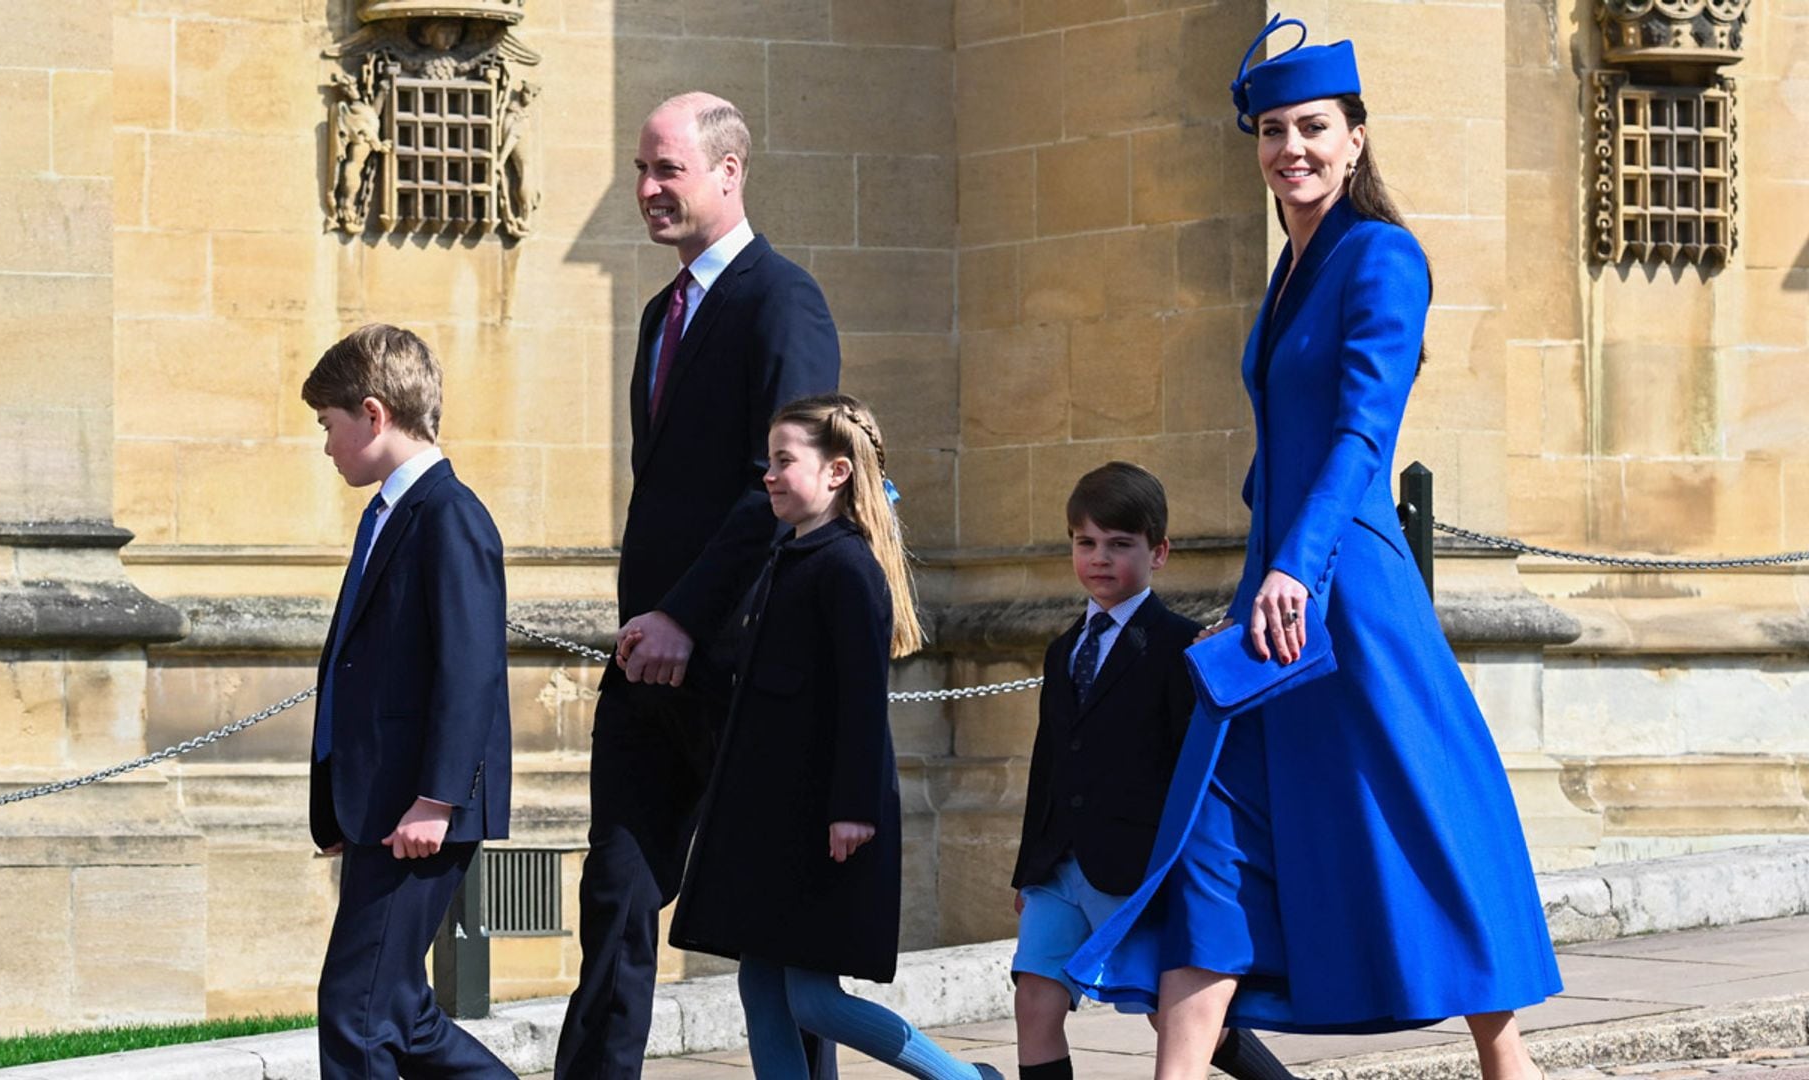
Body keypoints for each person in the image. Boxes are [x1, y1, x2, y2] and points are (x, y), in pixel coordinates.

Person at [1065, 17, 1562, 1080]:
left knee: (1425, 813)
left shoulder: (1382, 257)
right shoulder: (1291, 267)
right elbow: (1284, 439)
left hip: (1350, 591)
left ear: (1356, 138)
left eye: (1315, 128)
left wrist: (1296, 562)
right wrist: (1261, 556)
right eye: (1275, 130)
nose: (1293, 147)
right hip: (1277, 586)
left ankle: (1508, 1061)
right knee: (1211, 834)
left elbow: (1361, 433)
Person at [554, 92, 841, 1080]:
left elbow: (791, 490)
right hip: (648, 667)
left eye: (666, 170)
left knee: (773, 913)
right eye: (640, 169)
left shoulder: (783, 300)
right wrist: (649, 625)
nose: (645, 190)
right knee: (616, 897)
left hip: (742, 664)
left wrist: (688, 614)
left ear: (729, 172)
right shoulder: (657, 315)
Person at [668, 394, 999, 1080]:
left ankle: (963, 1079)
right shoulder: (787, 559)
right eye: (769, 460)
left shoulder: (846, 568)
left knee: (813, 999)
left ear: (837, 472)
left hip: (823, 822)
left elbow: (856, 703)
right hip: (771, 823)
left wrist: (850, 810)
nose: (769, 474)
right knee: (761, 987)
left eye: (784, 460)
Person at [1011, 463, 1293, 1080]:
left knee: (1179, 1021)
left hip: (1136, 866)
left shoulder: (1180, 646)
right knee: (1035, 1000)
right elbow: (1050, 760)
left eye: (1119, 544)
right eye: (1086, 543)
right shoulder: (1062, 652)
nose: (1100, 558)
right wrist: (1027, 866)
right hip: (1058, 864)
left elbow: (1195, 768)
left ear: (1157, 552)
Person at [301, 324, 515, 1079]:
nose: (326, 446)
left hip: (416, 810)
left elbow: (470, 670)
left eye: (328, 427)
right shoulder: (390, 513)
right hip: (381, 808)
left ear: (372, 413)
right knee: (398, 1012)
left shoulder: (448, 515)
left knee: (356, 1014)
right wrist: (339, 802)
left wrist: (437, 799)